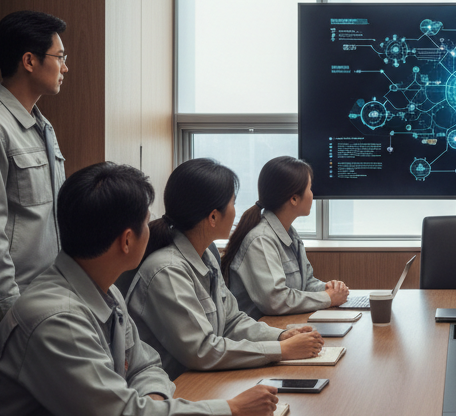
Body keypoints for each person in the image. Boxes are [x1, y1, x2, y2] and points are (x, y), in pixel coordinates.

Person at [0, 163, 280, 416]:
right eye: (146, 222)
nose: (154, 228)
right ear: (127, 240)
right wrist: (229, 410)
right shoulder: (56, 319)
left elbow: (145, 366)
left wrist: (152, 402)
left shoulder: (103, 290)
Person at [126, 158, 324, 379]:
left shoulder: (207, 256)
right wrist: (281, 350)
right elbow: (202, 350)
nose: (235, 211)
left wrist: (282, 336)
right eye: (232, 202)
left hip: (205, 377)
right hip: (178, 388)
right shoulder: (167, 271)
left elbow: (232, 321)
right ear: (213, 217)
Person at [0, 10, 69, 355]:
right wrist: (11, 311)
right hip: (10, 307)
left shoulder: (43, 127)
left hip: (49, 296)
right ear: (29, 61)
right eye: (60, 57)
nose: (65, 67)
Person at [223, 156, 350, 317]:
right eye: (310, 188)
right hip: (260, 331)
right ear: (294, 199)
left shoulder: (291, 233)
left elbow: (306, 283)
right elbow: (276, 301)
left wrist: (328, 289)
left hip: (284, 324)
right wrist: (327, 298)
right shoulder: (260, 240)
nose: (313, 194)